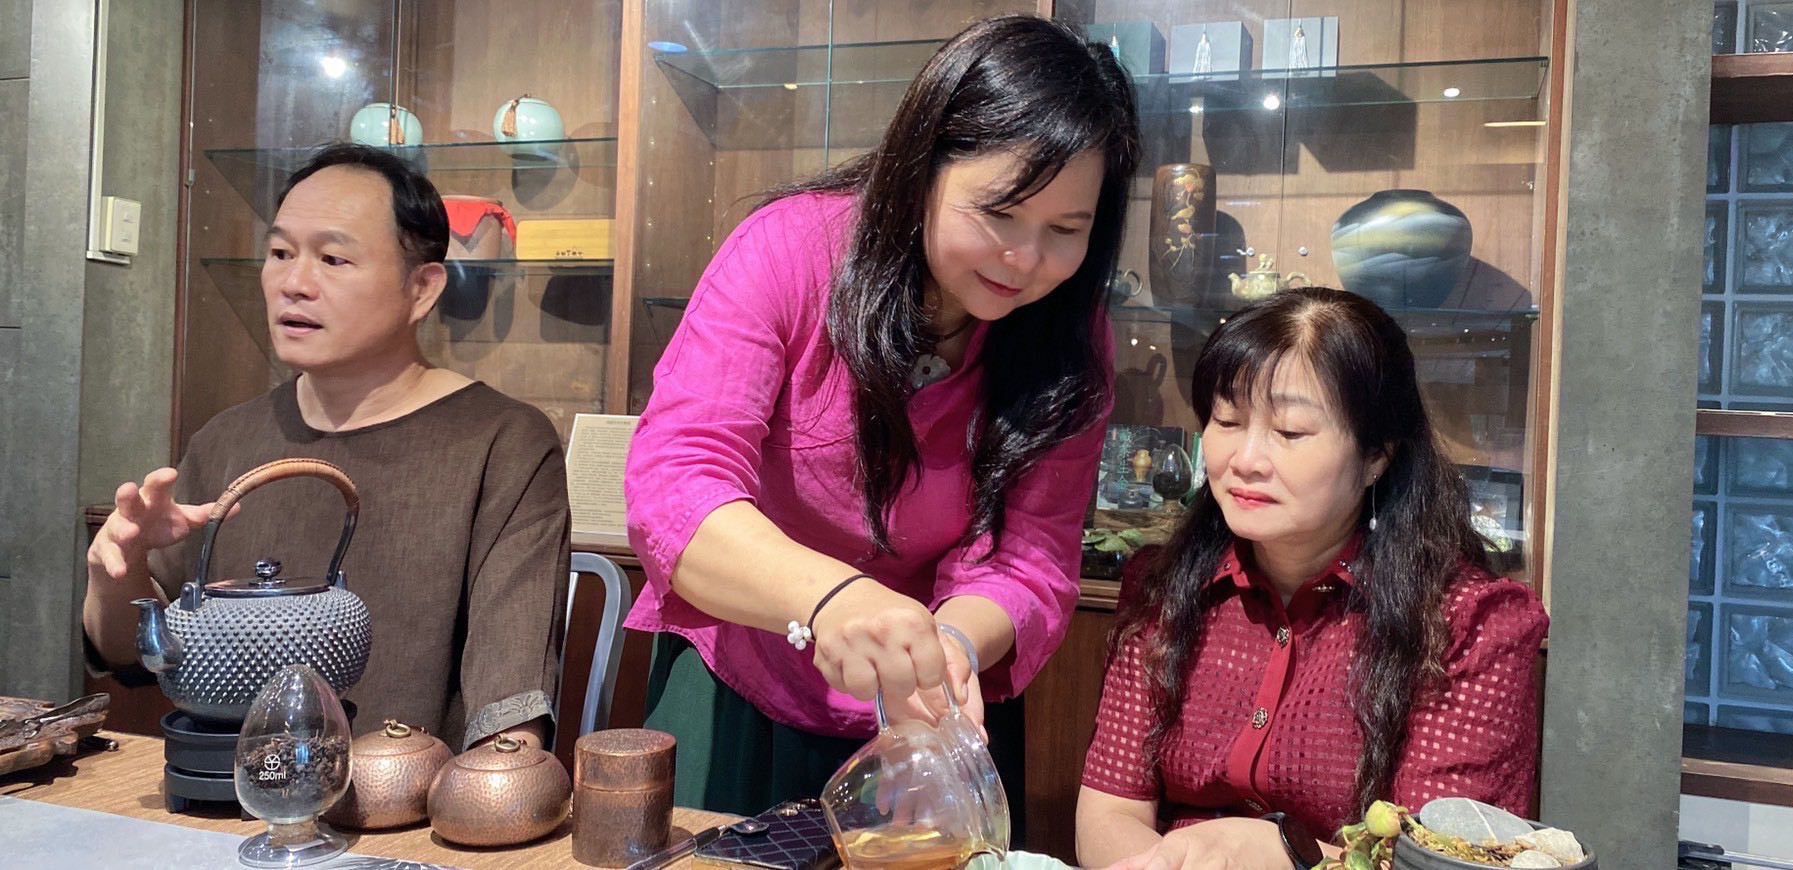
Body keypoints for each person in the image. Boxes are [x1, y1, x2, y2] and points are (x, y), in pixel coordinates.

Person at [624, 14, 1141, 813]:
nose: (1028, 259)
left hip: (935, 704)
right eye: (1000, 214)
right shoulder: (789, 252)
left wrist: (950, 644)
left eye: (1066, 230)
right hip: (745, 682)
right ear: (921, 166)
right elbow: (678, 483)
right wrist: (836, 599)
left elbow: (1032, 556)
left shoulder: (1071, 336)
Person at [83, 143, 570, 751]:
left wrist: (499, 791)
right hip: (228, 791)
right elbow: (129, 656)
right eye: (280, 253)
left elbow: (511, 705)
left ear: (422, 289)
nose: (293, 283)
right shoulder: (227, 439)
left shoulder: (502, 442)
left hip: (410, 796)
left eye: (333, 259)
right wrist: (117, 570)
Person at [1076, 288, 1549, 869]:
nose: (1244, 460)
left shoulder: (1467, 625)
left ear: (1376, 455)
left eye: (1290, 432)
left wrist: (1281, 854)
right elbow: (1109, 813)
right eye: (1227, 420)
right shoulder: (1167, 588)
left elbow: (1441, 860)